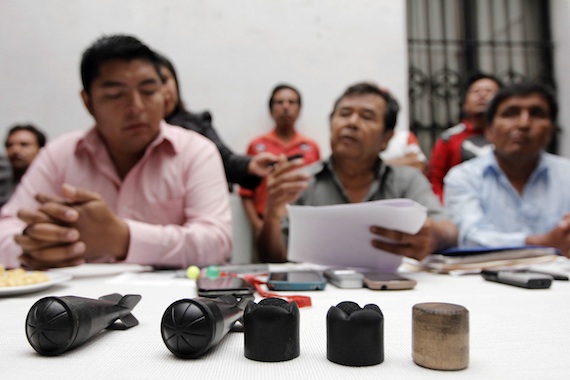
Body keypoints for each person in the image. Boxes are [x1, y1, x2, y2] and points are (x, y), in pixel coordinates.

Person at [0, 35, 232, 269]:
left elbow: (217, 242)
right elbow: (6, 232)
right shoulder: (59, 155)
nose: (136, 107)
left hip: (170, 302)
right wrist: (38, 247)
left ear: (165, 94)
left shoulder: (196, 152)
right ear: (88, 102)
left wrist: (122, 238)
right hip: (74, 301)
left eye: (149, 91)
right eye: (115, 95)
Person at [257, 82, 457, 263]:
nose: (351, 123)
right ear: (331, 124)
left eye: (367, 117)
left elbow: (450, 232)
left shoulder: (407, 180)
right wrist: (271, 216)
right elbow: (273, 258)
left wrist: (431, 237)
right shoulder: (299, 181)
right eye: (344, 114)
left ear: (387, 138)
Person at [444, 83, 570, 257]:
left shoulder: (567, 175)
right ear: (489, 131)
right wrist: (540, 244)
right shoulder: (464, 177)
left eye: (536, 113)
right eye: (510, 113)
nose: (524, 124)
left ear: (551, 130)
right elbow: (468, 237)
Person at [157, 54, 277, 190]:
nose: (162, 91)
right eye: (151, 84)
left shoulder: (197, 123)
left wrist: (249, 164)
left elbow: (222, 158)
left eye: (165, 80)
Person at [240, 84, 321, 234]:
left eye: (291, 102)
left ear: (299, 109)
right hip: (266, 223)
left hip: (303, 225)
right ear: (271, 109)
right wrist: (258, 226)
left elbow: (318, 190)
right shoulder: (257, 146)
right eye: (279, 102)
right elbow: (245, 193)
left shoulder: (311, 147)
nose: (285, 107)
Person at [427, 73, 502, 201]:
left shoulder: (509, 137)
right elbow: (435, 179)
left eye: (489, 91)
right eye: (476, 91)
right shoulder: (449, 138)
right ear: (465, 103)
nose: (482, 95)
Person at [2, 124, 47, 205]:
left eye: (24, 145)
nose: (15, 150)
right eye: (9, 145)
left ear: (41, 150)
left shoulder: (51, 183)